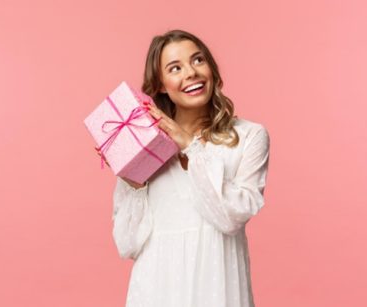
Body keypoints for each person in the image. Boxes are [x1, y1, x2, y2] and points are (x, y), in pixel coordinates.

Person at [98, 29, 270, 307]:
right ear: (162, 84)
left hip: (217, 287)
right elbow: (127, 244)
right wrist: (135, 186)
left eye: (198, 60)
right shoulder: (144, 145)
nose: (191, 72)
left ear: (211, 69)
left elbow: (230, 218)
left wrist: (189, 145)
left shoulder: (249, 136)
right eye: (175, 68)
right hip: (157, 288)